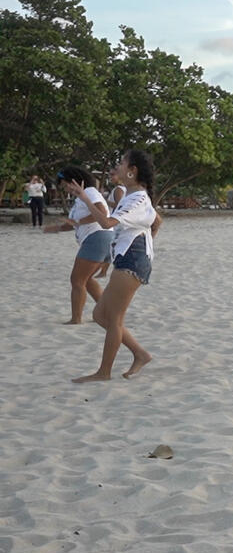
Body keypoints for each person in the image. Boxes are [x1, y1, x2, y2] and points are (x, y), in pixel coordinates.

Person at [65, 150, 161, 382]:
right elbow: (157, 221)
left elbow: (107, 222)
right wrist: (145, 241)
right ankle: (140, 353)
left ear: (132, 170)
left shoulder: (137, 198)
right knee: (100, 315)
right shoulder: (135, 196)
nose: (117, 167)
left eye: (121, 163)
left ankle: (104, 372)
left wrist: (85, 198)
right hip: (129, 257)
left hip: (132, 261)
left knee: (114, 319)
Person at [43, 166, 115, 324]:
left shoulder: (89, 192)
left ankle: (76, 318)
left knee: (77, 280)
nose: (65, 188)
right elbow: (74, 224)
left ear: (74, 180)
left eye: (65, 184)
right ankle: (107, 312)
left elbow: (101, 212)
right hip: (101, 238)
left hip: (97, 238)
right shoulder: (80, 198)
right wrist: (57, 229)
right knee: (86, 279)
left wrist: (78, 222)